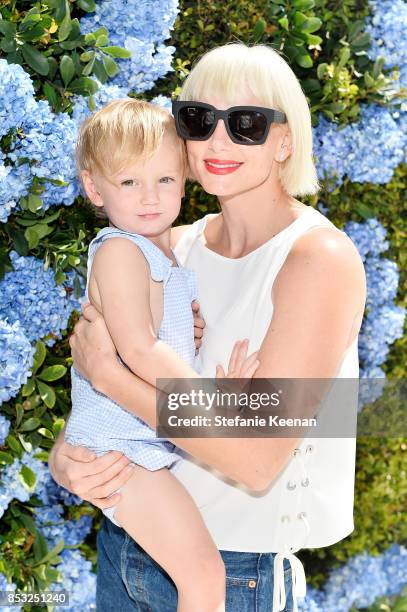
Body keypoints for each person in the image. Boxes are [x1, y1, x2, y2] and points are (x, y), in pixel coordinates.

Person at [49, 43, 366, 612]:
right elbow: (103, 383)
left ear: (285, 139)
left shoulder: (318, 259)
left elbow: (255, 458)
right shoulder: (170, 245)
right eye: (199, 119)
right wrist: (68, 457)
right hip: (131, 546)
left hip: (235, 576)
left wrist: (112, 377)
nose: (218, 141)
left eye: (246, 124)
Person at [66, 98, 260, 612]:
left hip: (139, 442)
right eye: (130, 183)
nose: (150, 198)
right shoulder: (121, 251)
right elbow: (138, 348)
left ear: (183, 179)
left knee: (199, 571)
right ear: (94, 188)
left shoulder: (162, 251)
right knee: (202, 573)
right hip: (121, 450)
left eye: (165, 181)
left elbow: (162, 349)